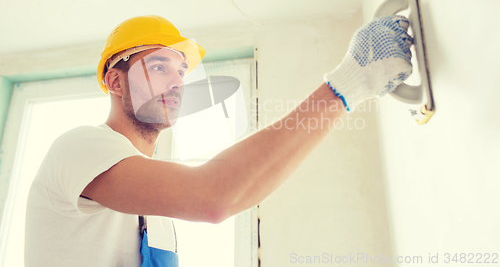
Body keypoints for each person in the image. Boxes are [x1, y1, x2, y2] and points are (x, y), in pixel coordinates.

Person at [24, 14, 412, 267]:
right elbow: (214, 195)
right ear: (114, 81)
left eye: (181, 71)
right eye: (159, 66)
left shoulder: (154, 212)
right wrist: (347, 85)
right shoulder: (78, 147)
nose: (177, 81)